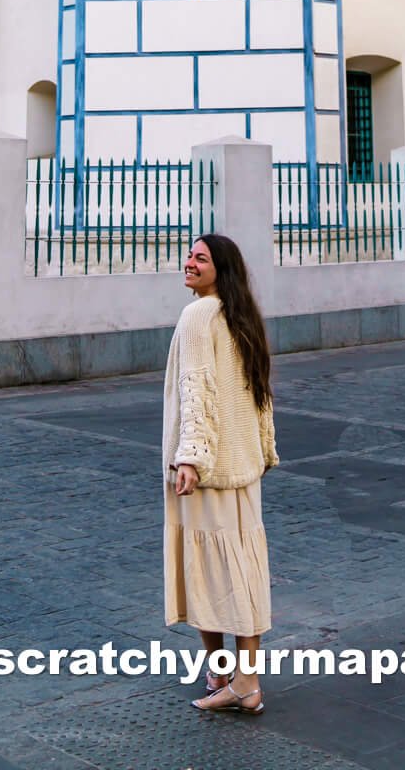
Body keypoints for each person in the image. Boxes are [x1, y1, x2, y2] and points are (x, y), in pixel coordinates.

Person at [163, 231, 277, 716]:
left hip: (206, 470)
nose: (190, 262)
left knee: (207, 570)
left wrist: (190, 456)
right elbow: (260, 394)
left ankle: (223, 672)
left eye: (201, 258)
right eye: (190, 255)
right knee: (243, 569)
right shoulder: (243, 316)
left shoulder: (197, 315)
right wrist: (264, 449)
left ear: (219, 270)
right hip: (243, 466)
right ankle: (241, 680)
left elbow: (197, 388)